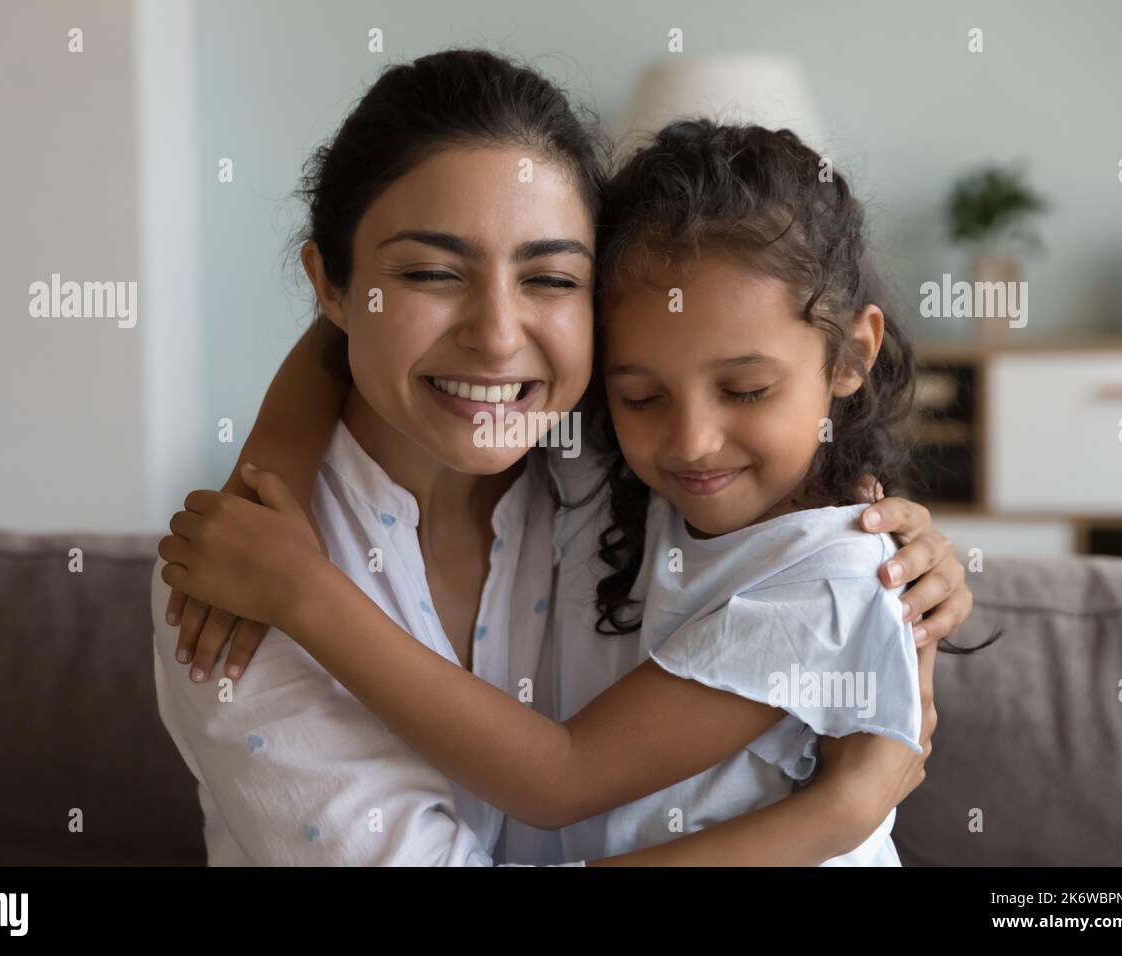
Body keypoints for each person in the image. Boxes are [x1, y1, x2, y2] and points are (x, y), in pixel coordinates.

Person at [153, 50, 968, 866]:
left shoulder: (596, 462)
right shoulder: (237, 581)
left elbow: (564, 774)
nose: (499, 336)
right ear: (330, 287)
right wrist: (275, 470)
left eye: (548, 277)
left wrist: (889, 658)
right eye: (433, 271)